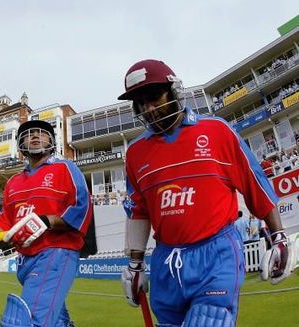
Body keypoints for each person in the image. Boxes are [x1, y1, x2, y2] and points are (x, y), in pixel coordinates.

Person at [117, 59, 290, 326]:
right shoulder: (135, 153)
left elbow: (256, 186)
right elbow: (139, 211)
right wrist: (135, 264)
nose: (149, 109)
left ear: (174, 92)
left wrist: (278, 236)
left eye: (154, 98)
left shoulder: (216, 131)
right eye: (140, 103)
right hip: (167, 262)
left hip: (216, 254)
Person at [0, 120, 92, 327]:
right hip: (25, 259)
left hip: (56, 253)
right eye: (29, 134)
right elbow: (6, 223)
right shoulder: (13, 182)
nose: (35, 136)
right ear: (20, 144)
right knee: (56, 322)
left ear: (51, 141)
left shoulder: (65, 168)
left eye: (41, 133)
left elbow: (82, 207)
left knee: (25, 322)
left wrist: (47, 221)